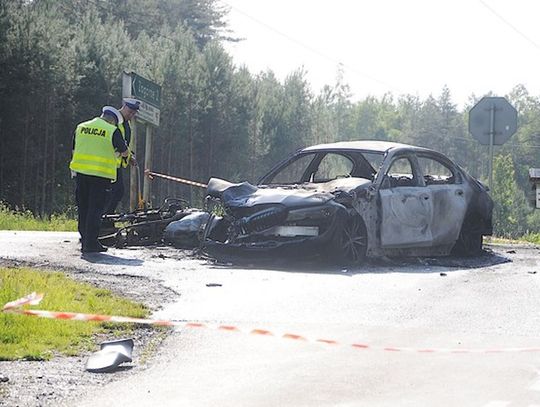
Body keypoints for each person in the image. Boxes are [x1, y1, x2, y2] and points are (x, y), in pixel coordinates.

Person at [70, 106, 128, 253]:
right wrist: (127, 156)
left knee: (83, 207)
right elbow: (124, 150)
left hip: (81, 174)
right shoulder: (111, 130)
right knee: (95, 210)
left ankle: (84, 239)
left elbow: (74, 148)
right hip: (100, 176)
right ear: (113, 120)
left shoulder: (81, 127)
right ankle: (91, 243)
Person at [103, 97, 141, 214]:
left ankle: (106, 217)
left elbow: (124, 143)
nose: (131, 115)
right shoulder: (112, 120)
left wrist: (129, 156)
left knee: (117, 192)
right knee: (113, 192)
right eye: (130, 112)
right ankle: (104, 219)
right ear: (123, 107)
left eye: (133, 113)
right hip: (107, 163)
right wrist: (128, 155)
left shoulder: (127, 124)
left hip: (116, 164)